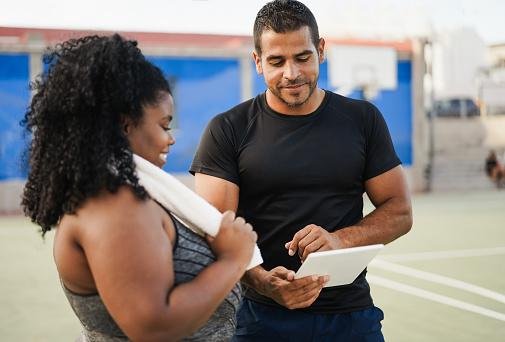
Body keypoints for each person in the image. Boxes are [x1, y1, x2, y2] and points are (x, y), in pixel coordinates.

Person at [190, 0, 413, 340]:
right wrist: (261, 280)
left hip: (351, 316)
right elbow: (213, 231)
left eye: (302, 57)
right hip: (261, 317)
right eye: (276, 61)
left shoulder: (362, 120)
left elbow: (400, 212)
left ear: (321, 50)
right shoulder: (227, 130)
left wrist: (340, 238)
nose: (291, 73)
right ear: (257, 62)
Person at [21, 34, 257, 341]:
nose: (170, 138)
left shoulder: (128, 197)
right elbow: (153, 327)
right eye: (163, 125)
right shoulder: (114, 206)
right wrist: (232, 260)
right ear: (125, 126)